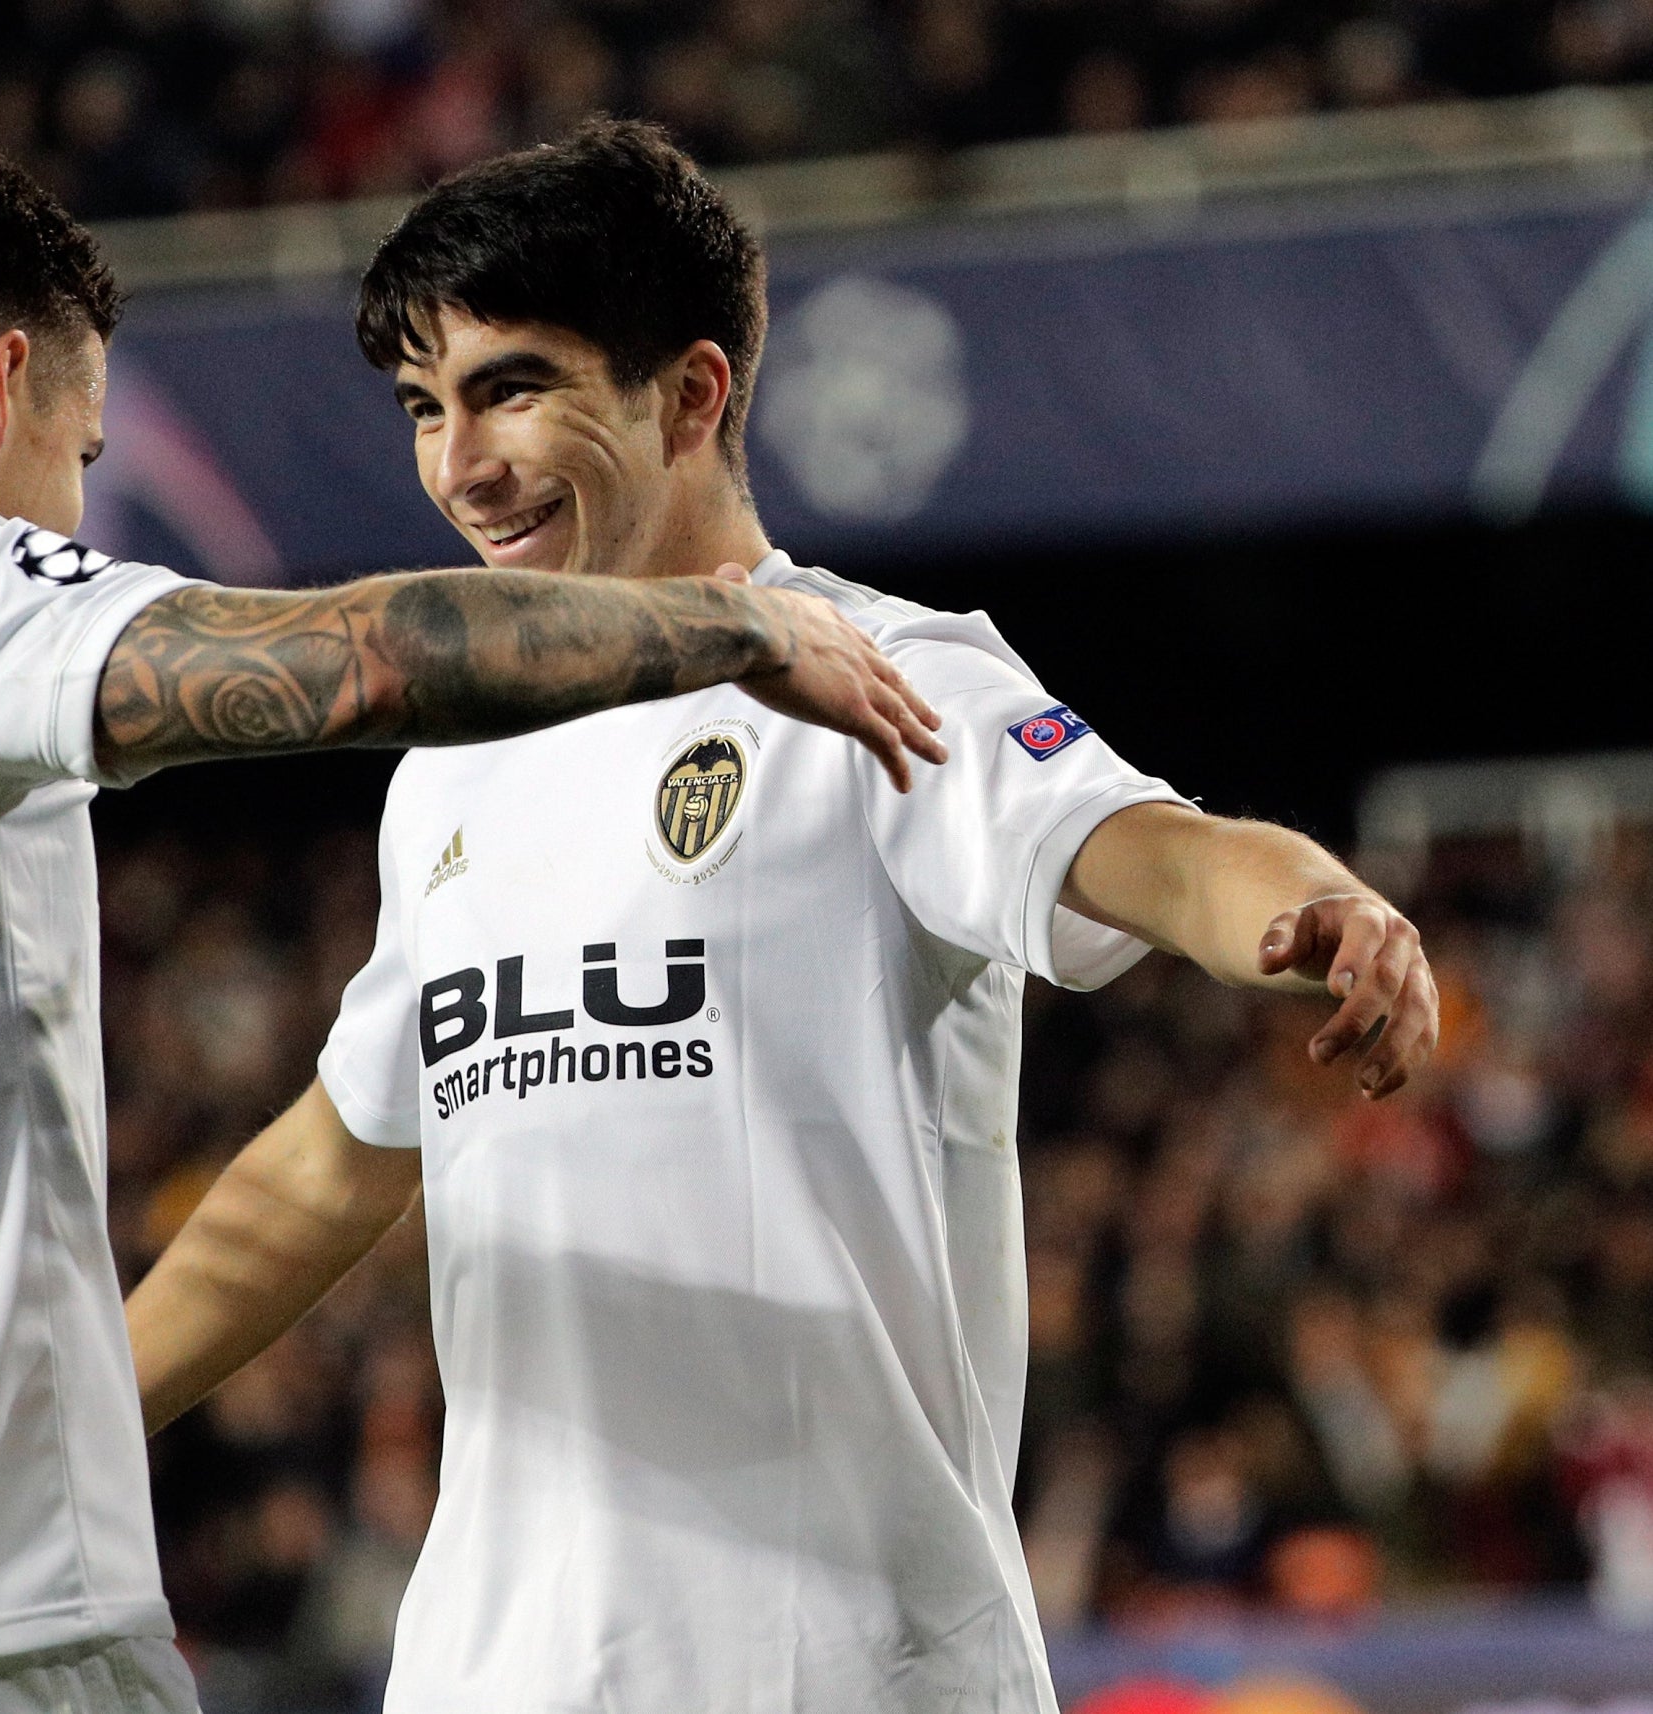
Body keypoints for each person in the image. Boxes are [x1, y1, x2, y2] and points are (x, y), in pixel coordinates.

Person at [0, 138, 944, 1714]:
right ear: (0, 386)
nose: (72, 513)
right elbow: (352, 659)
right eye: (78, 454)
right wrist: (724, 622)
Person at [124, 120, 1443, 1714]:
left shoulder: (880, 672)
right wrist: (58, 1430)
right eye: (425, 406)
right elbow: (328, 1168)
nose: (460, 466)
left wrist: (1317, 899)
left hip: (843, 1673)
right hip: (499, 1675)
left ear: (692, 393)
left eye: (515, 388)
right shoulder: (454, 779)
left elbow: (1150, 847)